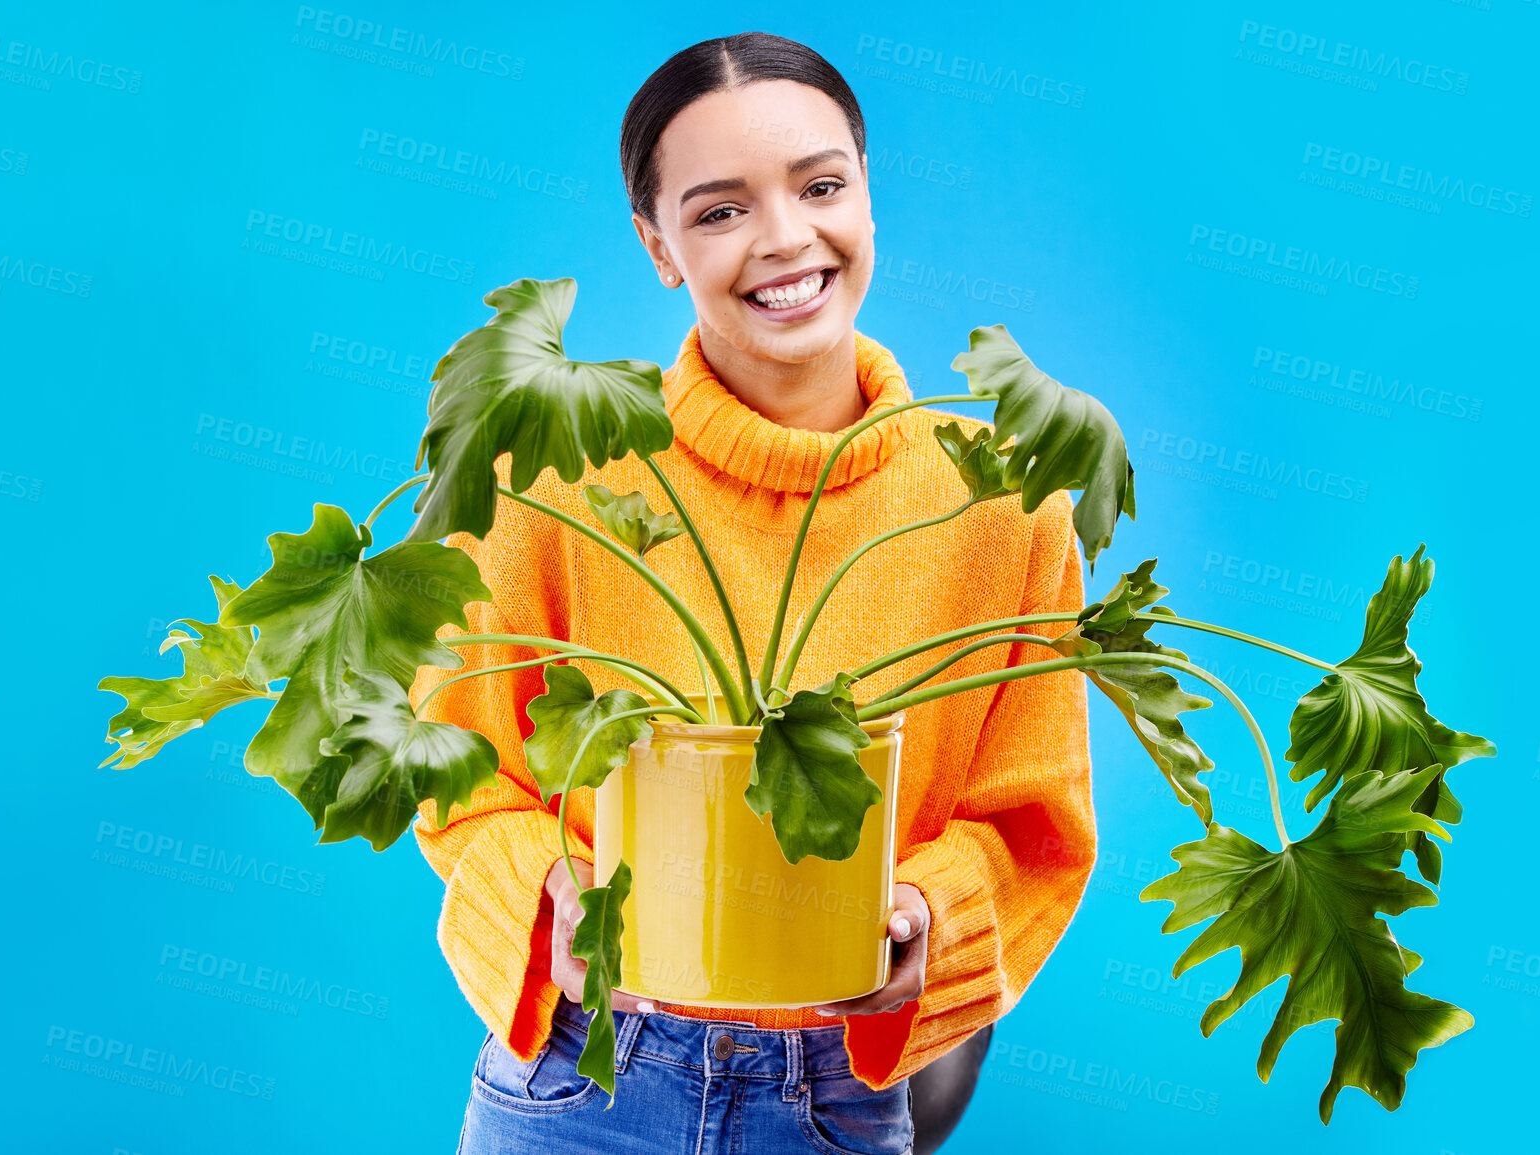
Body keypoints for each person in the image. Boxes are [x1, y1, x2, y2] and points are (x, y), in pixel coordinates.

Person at [410, 31, 1096, 1155]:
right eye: (721, 210)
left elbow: (1031, 819)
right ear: (659, 244)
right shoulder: (551, 477)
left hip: (837, 1092)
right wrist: (548, 898)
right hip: (582, 1078)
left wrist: (927, 915)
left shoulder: (1004, 499)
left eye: (822, 186)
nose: (786, 238)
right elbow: (460, 772)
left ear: (869, 202)